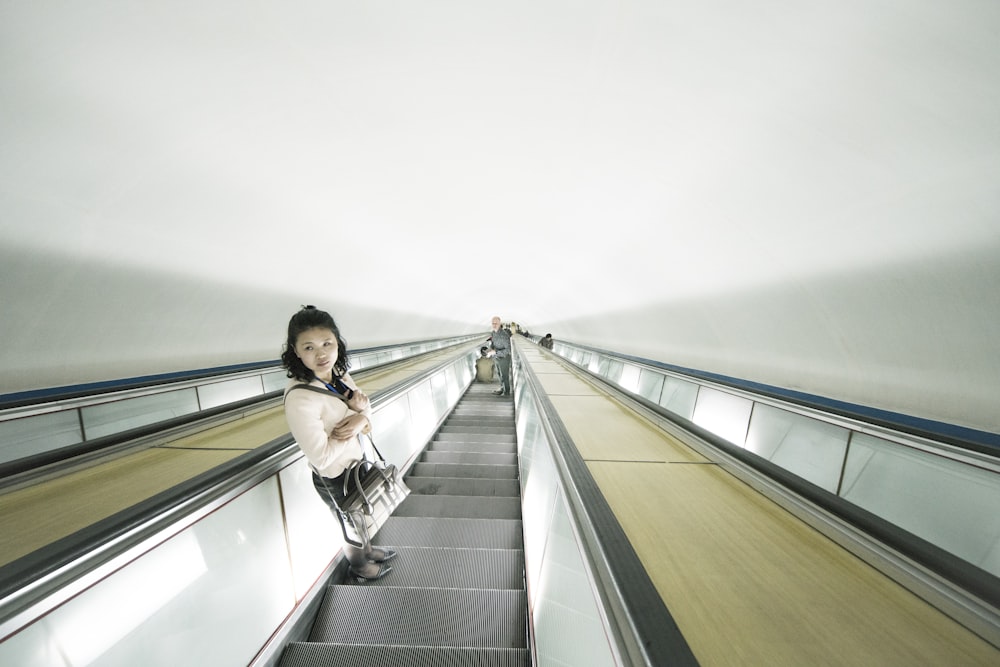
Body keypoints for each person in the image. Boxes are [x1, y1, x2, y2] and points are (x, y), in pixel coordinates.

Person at [281, 305, 396, 581]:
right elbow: (321, 457)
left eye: (327, 344)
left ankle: (369, 551)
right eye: (308, 347)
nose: (321, 354)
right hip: (334, 476)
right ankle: (360, 567)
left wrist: (359, 419)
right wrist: (358, 421)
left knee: (363, 516)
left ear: (337, 343)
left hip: (356, 463)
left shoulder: (339, 376)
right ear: (296, 351)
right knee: (351, 524)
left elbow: (366, 411)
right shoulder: (300, 398)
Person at [488, 315, 512, 396]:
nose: (494, 325)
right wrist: (490, 349)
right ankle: (502, 388)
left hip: (504, 358)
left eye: (496, 323)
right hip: (496, 358)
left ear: (499, 323)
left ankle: (507, 392)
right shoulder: (493, 332)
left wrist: (495, 352)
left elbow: (508, 350)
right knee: (499, 374)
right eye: (493, 323)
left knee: (504, 376)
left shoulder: (504, 335)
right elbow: (493, 343)